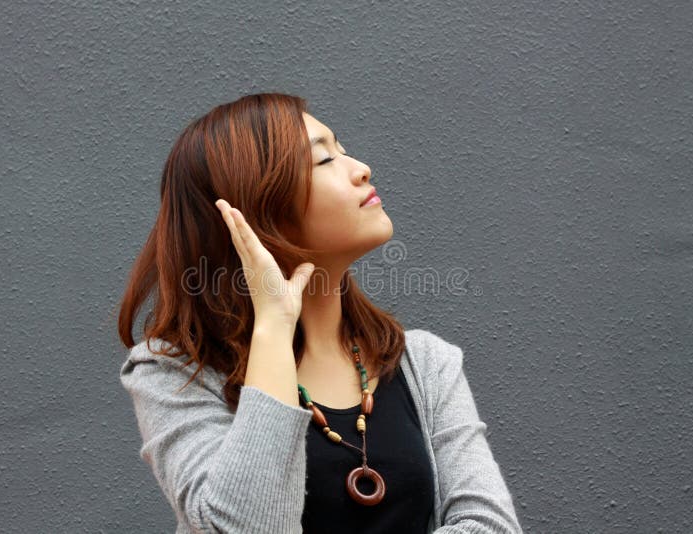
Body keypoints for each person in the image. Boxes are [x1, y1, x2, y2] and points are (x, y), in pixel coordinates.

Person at [116, 93, 523, 533]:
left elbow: (490, 526)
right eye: (325, 159)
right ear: (257, 207)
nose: (360, 168)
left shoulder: (425, 364)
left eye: (342, 149)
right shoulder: (174, 374)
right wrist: (273, 325)